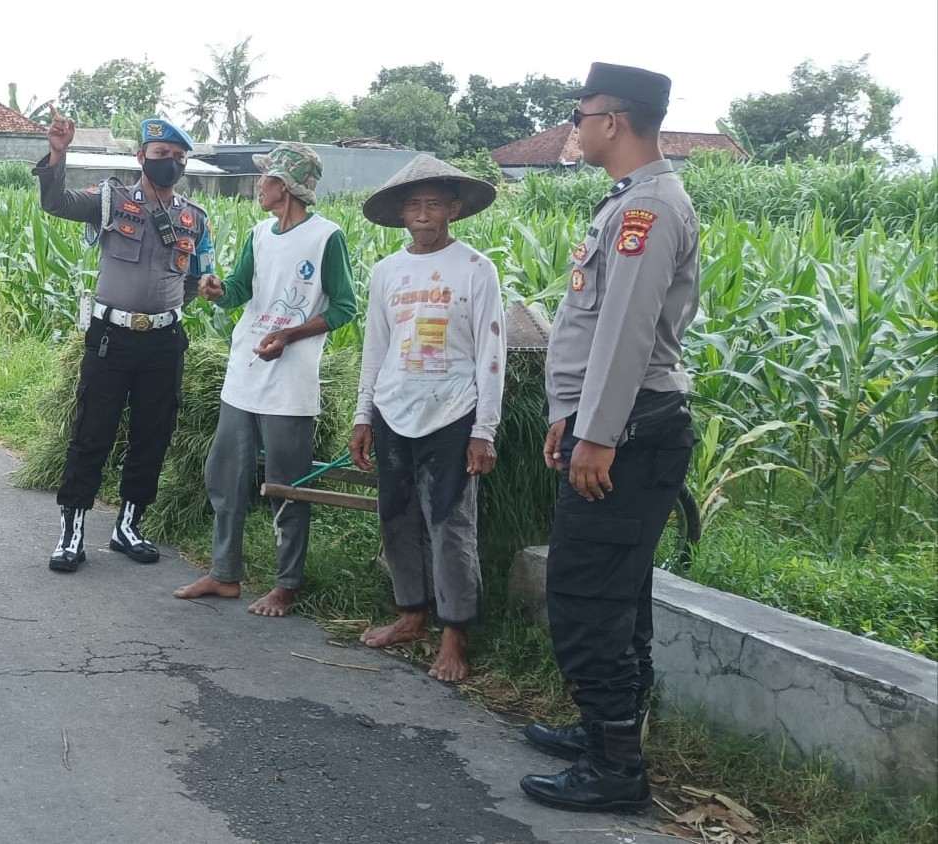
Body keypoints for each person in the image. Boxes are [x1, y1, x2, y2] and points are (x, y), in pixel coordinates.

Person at [519, 63, 700, 813]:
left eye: (580, 112)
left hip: (628, 433)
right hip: (618, 426)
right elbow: (595, 334)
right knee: (618, 595)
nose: (574, 124)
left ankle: (615, 768)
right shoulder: (633, 202)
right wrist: (571, 414)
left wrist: (596, 436)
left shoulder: (647, 212)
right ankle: (606, 733)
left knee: (587, 596)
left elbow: (625, 336)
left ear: (614, 121)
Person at [173, 144, 357, 617]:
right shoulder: (259, 233)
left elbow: (343, 307)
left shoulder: (326, 238)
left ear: (287, 187)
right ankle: (224, 573)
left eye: (266, 179)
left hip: (290, 381)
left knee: (286, 483)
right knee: (225, 473)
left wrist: (290, 334)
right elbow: (239, 290)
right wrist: (215, 291)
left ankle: (286, 584)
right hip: (245, 372)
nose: (259, 186)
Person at [33, 112, 214, 572]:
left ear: (184, 165)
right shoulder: (111, 199)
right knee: (92, 433)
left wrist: (163, 311)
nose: (168, 163)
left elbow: (195, 280)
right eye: (160, 155)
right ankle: (71, 533)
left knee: (152, 436)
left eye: (176, 158)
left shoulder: (195, 219)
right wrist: (58, 152)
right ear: (141, 157)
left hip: (163, 342)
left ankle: (128, 526)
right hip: (111, 338)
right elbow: (56, 202)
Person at [349, 155, 506, 683]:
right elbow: (377, 345)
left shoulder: (476, 269)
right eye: (414, 204)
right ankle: (411, 613)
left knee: (450, 523)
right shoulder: (386, 272)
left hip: (453, 411)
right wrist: (362, 413)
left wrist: (484, 428)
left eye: (433, 204)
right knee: (396, 515)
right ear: (400, 213)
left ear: (453, 210)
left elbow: (491, 351)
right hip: (395, 408)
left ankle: (454, 633)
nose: (423, 213)